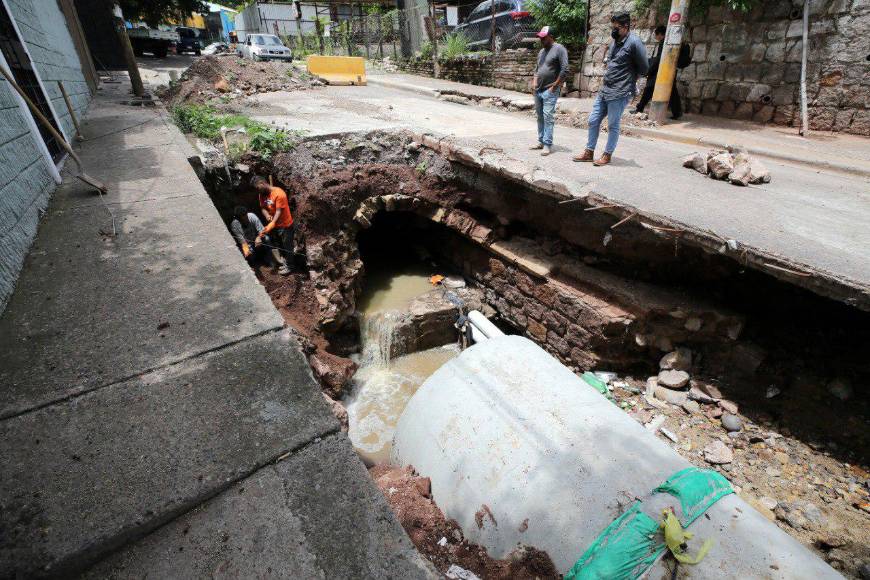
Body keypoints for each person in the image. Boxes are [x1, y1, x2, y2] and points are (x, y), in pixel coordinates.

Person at [574, 11, 648, 167]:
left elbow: (644, 68)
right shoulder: (615, 41)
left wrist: (630, 80)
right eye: (612, 27)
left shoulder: (635, 42)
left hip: (620, 91)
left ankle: (607, 154)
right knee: (593, 120)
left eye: (616, 27)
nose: (613, 30)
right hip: (605, 89)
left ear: (626, 26)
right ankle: (589, 152)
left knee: (613, 125)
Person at [530, 26, 569, 157]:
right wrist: (534, 82)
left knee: (548, 117)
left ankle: (547, 144)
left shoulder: (559, 49)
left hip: (550, 89)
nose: (541, 39)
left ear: (551, 36)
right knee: (540, 117)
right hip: (538, 89)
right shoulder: (541, 52)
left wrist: (554, 87)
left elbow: (565, 70)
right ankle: (541, 141)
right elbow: (537, 69)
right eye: (540, 37)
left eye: (544, 37)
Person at [632, 25, 684, 119]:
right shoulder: (670, 42)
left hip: (661, 71)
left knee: (649, 89)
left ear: (660, 34)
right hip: (670, 70)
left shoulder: (664, 43)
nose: (656, 37)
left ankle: (639, 108)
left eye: (656, 35)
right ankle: (677, 112)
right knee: (672, 93)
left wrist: (650, 70)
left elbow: (660, 59)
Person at [253, 176, 294, 275]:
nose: (258, 192)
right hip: (275, 226)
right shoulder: (262, 194)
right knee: (281, 245)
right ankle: (286, 262)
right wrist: (267, 214)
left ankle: (291, 266)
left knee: (288, 246)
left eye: (258, 188)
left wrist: (264, 231)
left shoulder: (279, 194)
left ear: (262, 183)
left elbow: (278, 212)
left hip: (285, 225)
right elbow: (262, 207)